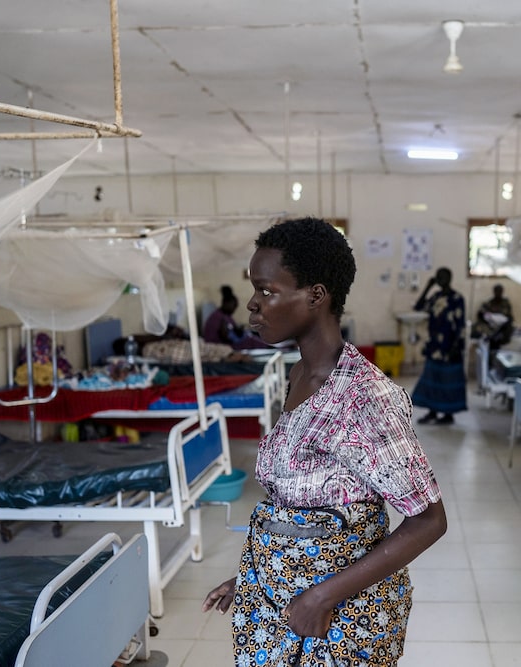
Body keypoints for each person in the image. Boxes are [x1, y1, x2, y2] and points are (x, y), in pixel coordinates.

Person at [201, 217, 447, 666]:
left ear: (316, 295)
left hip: (343, 621)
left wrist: (322, 596)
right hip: (282, 603)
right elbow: (300, 505)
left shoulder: (363, 396)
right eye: (255, 291)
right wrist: (253, 577)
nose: (253, 306)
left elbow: (428, 520)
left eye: (268, 291)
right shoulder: (300, 376)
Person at [411, 267, 468, 425]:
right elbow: (418, 307)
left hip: (450, 345)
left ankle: (448, 414)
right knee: (433, 377)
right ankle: (433, 411)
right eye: (438, 277)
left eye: (443, 277)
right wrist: (428, 287)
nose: (440, 280)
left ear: (449, 278)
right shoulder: (435, 297)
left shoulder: (457, 298)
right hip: (435, 345)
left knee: (449, 379)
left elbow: (460, 324)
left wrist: (457, 345)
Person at [203, 284, 274, 350]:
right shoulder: (218, 317)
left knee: (251, 335)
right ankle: (269, 347)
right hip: (219, 346)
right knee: (250, 341)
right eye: (234, 306)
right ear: (226, 303)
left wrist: (238, 331)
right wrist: (239, 336)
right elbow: (225, 336)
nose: (234, 309)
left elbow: (231, 329)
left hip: (224, 343)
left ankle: (269, 346)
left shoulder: (224, 315)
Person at [472, 282, 514, 349]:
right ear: (494, 291)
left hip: (502, 325)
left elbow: (509, 316)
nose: (498, 293)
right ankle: (490, 339)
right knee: (477, 327)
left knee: (509, 327)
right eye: (497, 291)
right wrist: (489, 318)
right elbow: (480, 314)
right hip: (489, 324)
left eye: (500, 291)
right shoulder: (488, 302)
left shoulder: (506, 302)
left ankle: (498, 339)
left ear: (502, 292)